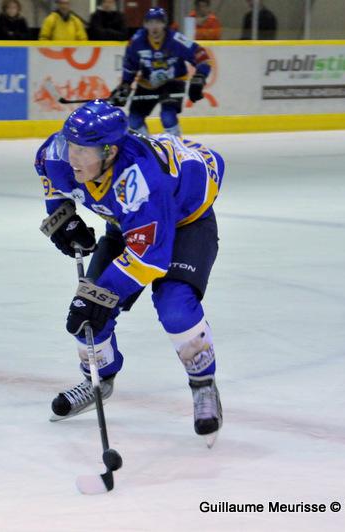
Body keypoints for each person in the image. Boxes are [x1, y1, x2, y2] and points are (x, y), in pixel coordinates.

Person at [35, 100, 225, 444]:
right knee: (88, 312)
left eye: (83, 151)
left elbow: (148, 257)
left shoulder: (142, 181)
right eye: (71, 146)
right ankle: (99, 379)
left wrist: (100, 297)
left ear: (109, 152)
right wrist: (63, 217)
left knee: (175, 306)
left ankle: (203, 384)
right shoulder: (58, 153)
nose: (73, 157)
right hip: (131, 223)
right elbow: (51, 178)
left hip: (186, 220)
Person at [109, 7, 211, 137]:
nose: (154, 26)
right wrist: (125, 84)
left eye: (158, 22)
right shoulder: (136, 41)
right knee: (134, 121)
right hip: (148, 84)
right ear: (145, 25)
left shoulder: (176, 39)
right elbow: (130, 65)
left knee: (168, 116)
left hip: (174, 82)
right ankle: (147, 146)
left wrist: (200, 77)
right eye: (150, 22)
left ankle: (174, 145)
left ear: (164, 24)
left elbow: (201, 56)